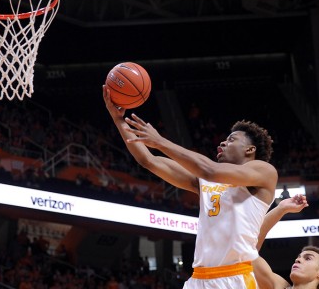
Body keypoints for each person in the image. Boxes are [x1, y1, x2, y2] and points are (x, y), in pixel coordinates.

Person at [103, 86, 278, 289]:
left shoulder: (264, 171)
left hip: (234, 277)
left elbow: (208, 169)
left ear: (250, 149)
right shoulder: (207, 182)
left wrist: (160, 141)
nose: (222, 142)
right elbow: (148, 160)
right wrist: (118, 119)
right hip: (198, 279)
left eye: (231, 139)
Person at [253, 194, 319, 289]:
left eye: (308, 258)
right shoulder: (278, 286)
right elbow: (248, 248)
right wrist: (281, 209)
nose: (298, 260)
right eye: (299, 257)